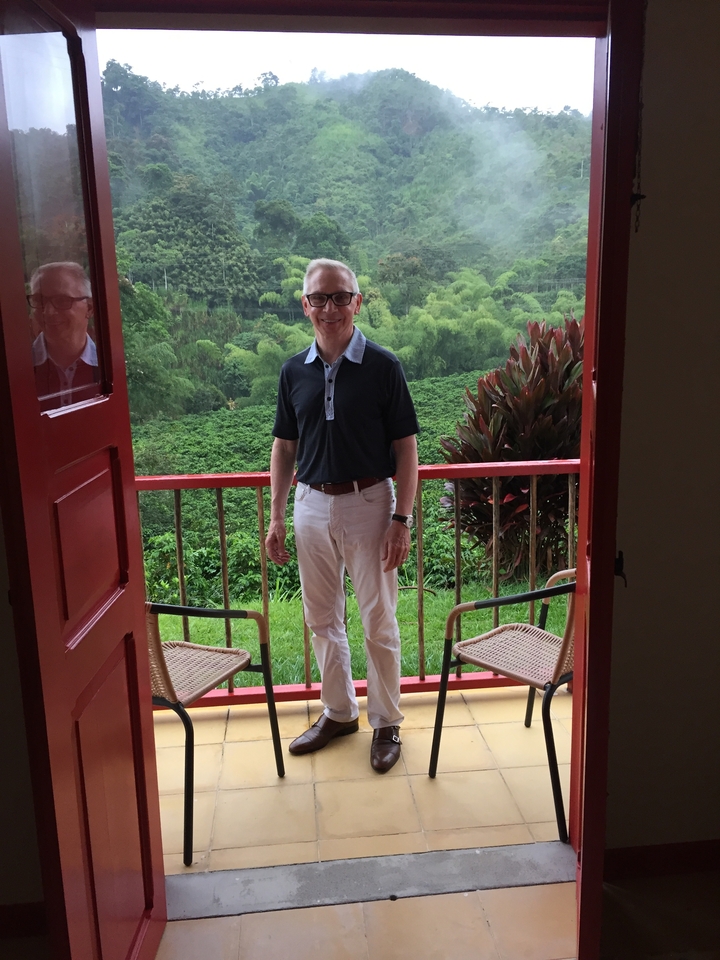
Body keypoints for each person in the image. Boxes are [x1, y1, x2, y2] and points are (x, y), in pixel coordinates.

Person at [266, 258, 419, 773]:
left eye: (339, 296)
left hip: (370, 504)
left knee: (378, 618)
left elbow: (407, 449)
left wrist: (402, 518)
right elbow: (284, 448)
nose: (328, 307)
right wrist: (276, 516)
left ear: (357, 301)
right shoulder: (293, 371)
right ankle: (338, 712)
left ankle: (387, 720)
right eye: (318, 298)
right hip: (310, 506)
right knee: (321, 618)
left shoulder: (383, 366)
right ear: (304, 304)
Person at [28, 261, 99, 410]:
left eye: (61, 300)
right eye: (39, 300)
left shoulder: (108, 367)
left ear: (90, 308)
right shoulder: (16, 369)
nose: (48, 312)